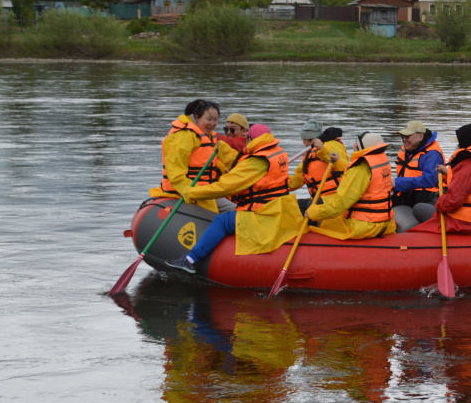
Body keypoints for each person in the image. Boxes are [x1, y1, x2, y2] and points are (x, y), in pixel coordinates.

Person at [166, 124, 304, 273]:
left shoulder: (258, 161)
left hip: (264, 216)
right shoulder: (276, 153)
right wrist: (223, 150)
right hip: (278, 210)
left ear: (250, 138)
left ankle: (190, 260)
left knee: (222, 220)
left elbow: (226, 186)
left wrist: (190, 193)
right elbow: (242, 165)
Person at [411, 124, 471, 235]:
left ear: (465, 141)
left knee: (417, 217)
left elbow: (453, 200)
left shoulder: (470, 164)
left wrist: (439, 203)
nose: (458, 145)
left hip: (470, 223)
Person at [149, 99, 239, 213]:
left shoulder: (209, 136)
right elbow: (175, 175)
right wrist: (193, 193)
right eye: (209, 119)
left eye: (215, 120)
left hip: (205, 190)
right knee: (235, 214)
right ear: (197, 117)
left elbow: (228, 158)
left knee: (238, 211)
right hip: (186, 192)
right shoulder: (182, 136)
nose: (212, 123)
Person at [306, 133, 396, 240]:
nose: (353, 145)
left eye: (355, 143)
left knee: (319, 216)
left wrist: (313, 212)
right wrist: (339, 162)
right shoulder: (380, 161)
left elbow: (339, 205)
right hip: (385, 223)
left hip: (364, 226)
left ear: (360, 147)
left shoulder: (360, 169)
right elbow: (356, 175)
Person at [392, 120, 444, 231]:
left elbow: (429, 180)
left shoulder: (432, 154)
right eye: (402, 136)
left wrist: (398, 183)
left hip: (426, 196)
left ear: (420, 136)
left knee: (419, 199)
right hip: (408, 190)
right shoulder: (408, 150)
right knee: (390, 199)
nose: (404, 140)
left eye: (408, 136)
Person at [288, 119, 349, 210]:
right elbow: (300, 177)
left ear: (308, 140)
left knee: (311, 206)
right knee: (293, 205)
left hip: (336, 196)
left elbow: (343, 165)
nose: (303, 142)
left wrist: (322, 149)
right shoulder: (309, 154)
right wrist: (278, 185)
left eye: (303, 140)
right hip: (319, 197)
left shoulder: (331, 145)